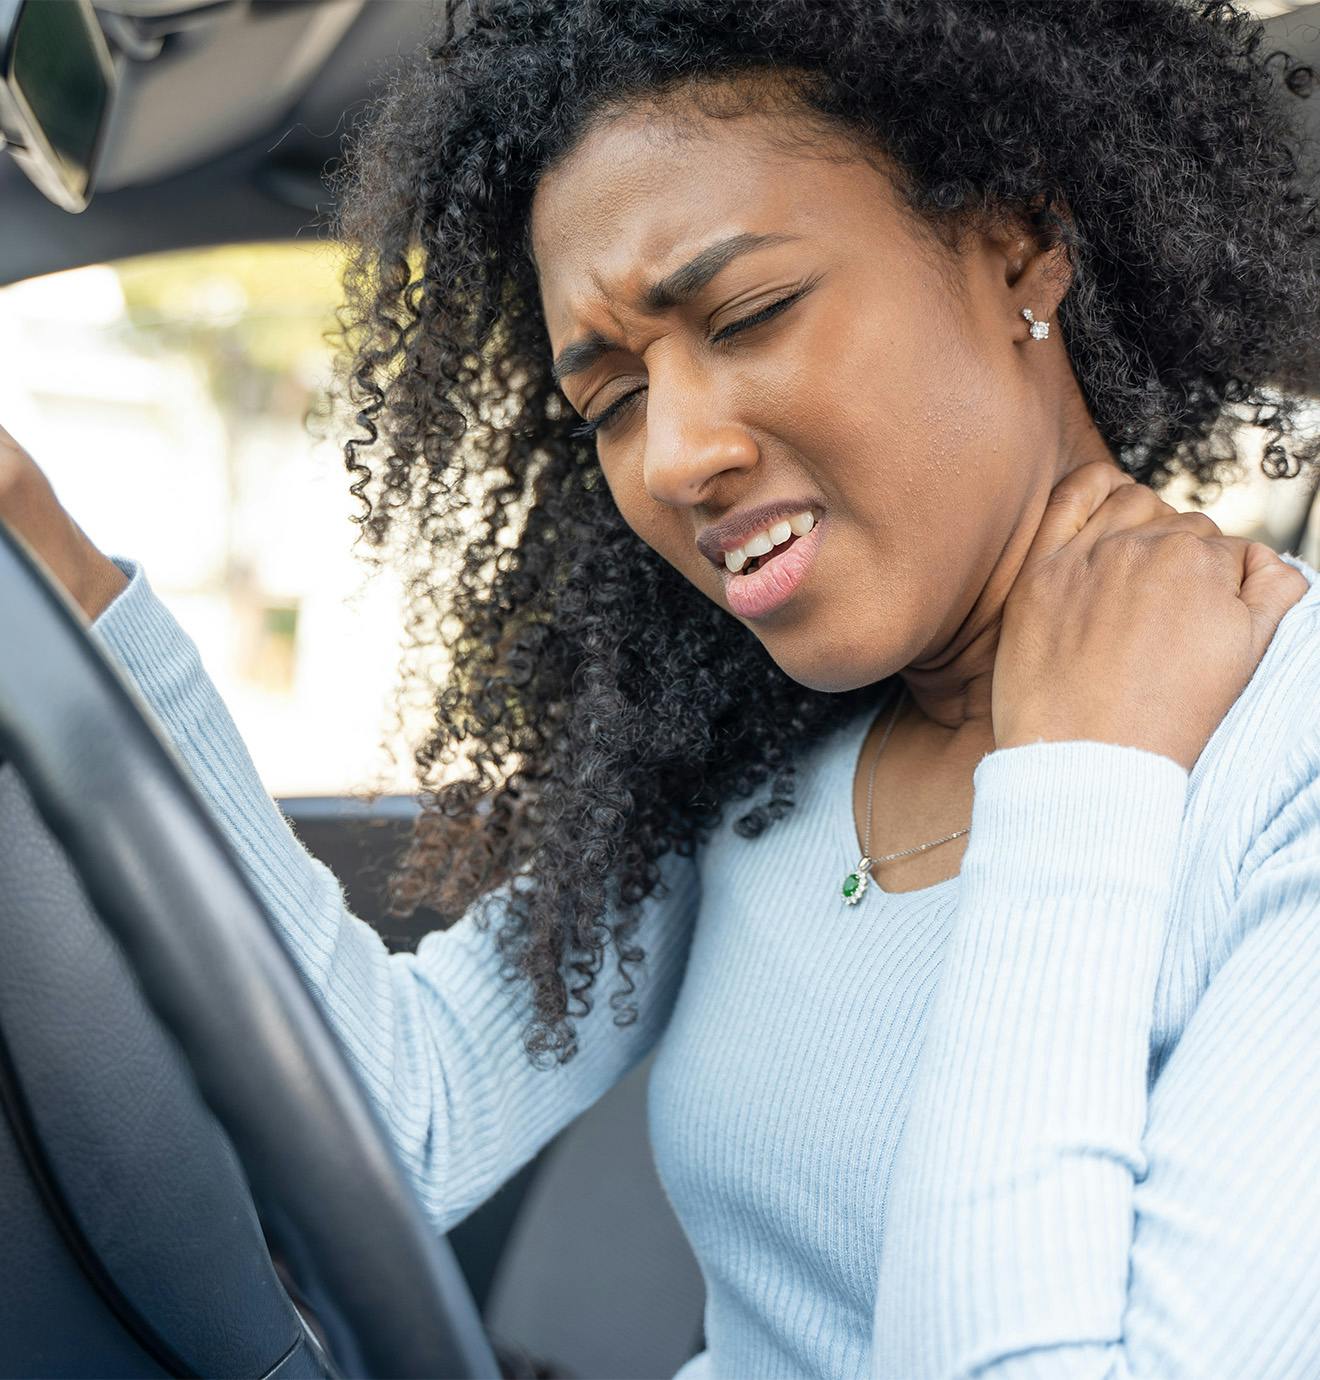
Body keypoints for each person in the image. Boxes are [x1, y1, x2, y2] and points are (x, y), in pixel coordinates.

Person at [4, 0, 1320, 1375]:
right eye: (615, 402)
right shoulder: (765, 753)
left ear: (1016, 252)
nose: (676, 458)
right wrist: (78, 593)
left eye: (749, 313)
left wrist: (1076, 787)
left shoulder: (1288, 754)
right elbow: (403, 1123)